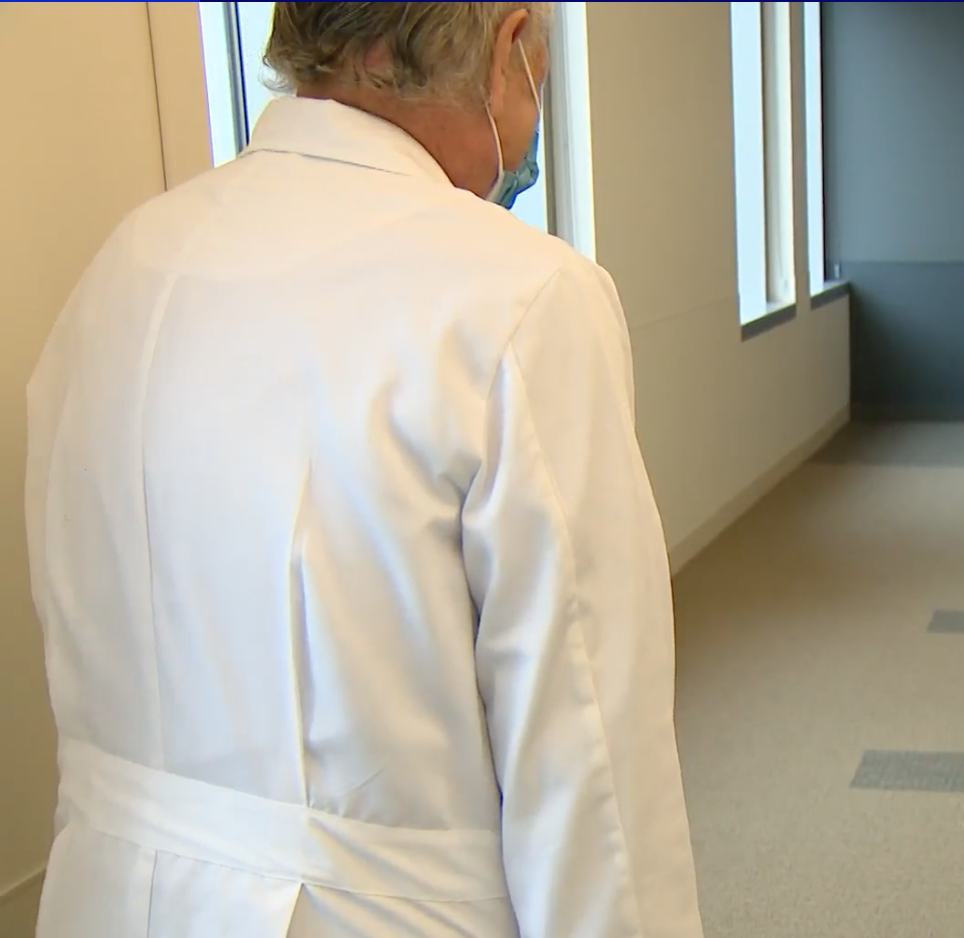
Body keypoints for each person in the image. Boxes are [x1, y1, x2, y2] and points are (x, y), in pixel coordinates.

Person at [24, 4, 704, 936]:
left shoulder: (125, 265)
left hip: (108, 900)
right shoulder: (519, 297)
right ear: (508, 50)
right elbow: (590, 767)